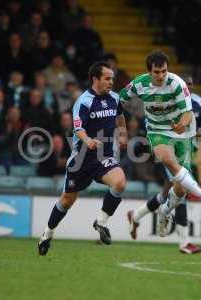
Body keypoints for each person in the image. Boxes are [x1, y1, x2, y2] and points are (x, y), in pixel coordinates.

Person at [120, 50, 201, 239]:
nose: (161, 76)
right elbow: (119, 101)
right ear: (149, 72)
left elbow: (188, 114)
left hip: (182, 138)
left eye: (164, 71)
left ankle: (160, 213)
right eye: (156, 72)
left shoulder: (178, 85)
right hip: (157, 132)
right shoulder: (139, 84)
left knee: (178, 190)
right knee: (169, 163)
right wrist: (121, 127)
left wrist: (182, 124)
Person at [38, 61, 128, 255]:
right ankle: (47, 234)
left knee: (120, 183)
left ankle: (101, 222)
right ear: (95, 79)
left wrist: (123, 134)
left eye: (112, 78)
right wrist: (88, 141)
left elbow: (120, 116)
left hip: (104, 155)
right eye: (107, 78)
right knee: (67, 200)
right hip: (81, 159)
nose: (111, 82)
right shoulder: (84, 101)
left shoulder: (114, 98)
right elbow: (78, 129)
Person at [126, 73, 201, 254]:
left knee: (167, 194)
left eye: (190, 85)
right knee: (181, 190)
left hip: (184, 153)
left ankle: (136, 215)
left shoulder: (199, 104)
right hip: (165, 151)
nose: (187, 88)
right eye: (184, 85)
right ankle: (184, 242)